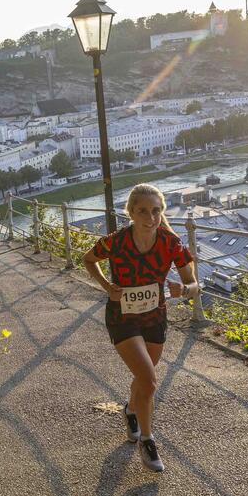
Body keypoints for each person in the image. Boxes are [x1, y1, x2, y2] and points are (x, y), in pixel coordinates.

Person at [82, 184, 199, 472]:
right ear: (131, 213)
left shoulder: (171, 243)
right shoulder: (117, 241)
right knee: (148, 378)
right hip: (122, 316)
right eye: (143, 211)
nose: (151, 217)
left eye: (156, 210)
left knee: (143, 379)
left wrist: (182, 289)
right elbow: (88, 259)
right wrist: (107, 286)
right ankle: (148, 441)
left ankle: (131, 410)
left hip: (154, 318)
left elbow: (195, 286)